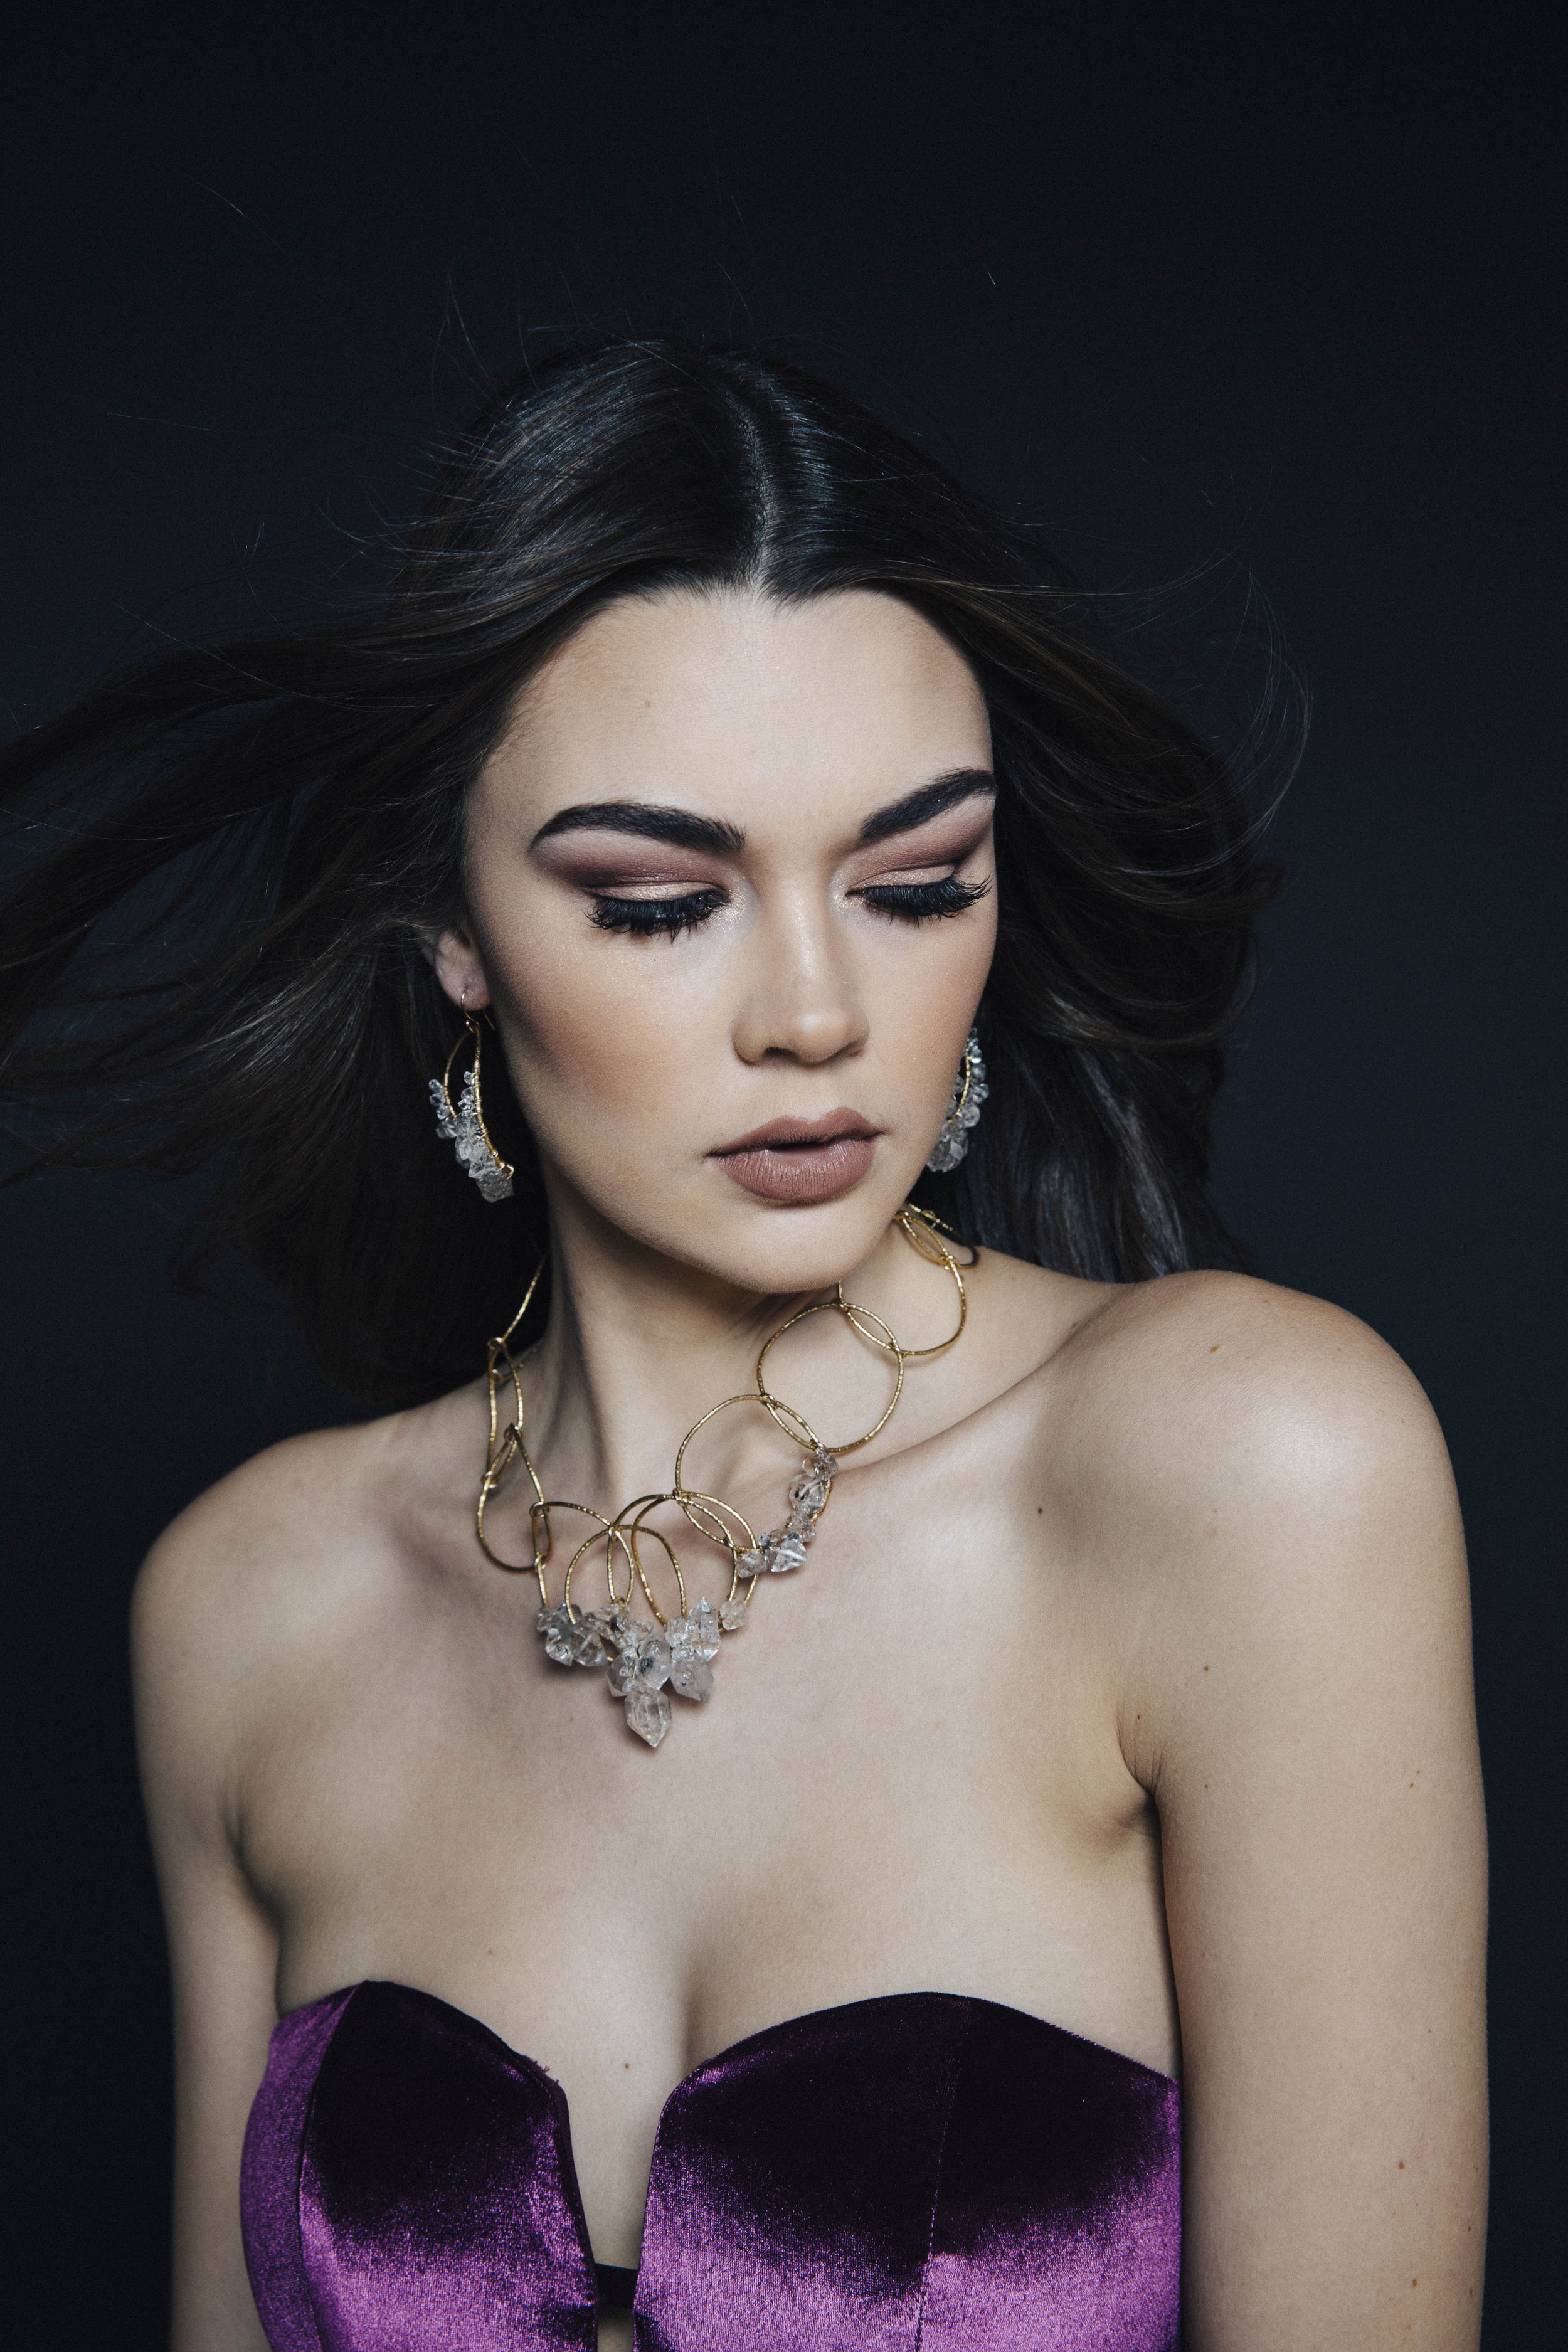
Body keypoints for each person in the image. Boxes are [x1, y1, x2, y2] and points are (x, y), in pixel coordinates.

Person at [0, 338, 1486, 2350]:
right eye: (653, 901)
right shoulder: (256, 1606)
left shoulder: (1242, 1466)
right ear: (452, 930)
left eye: (912, 883)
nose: (811, 1011)